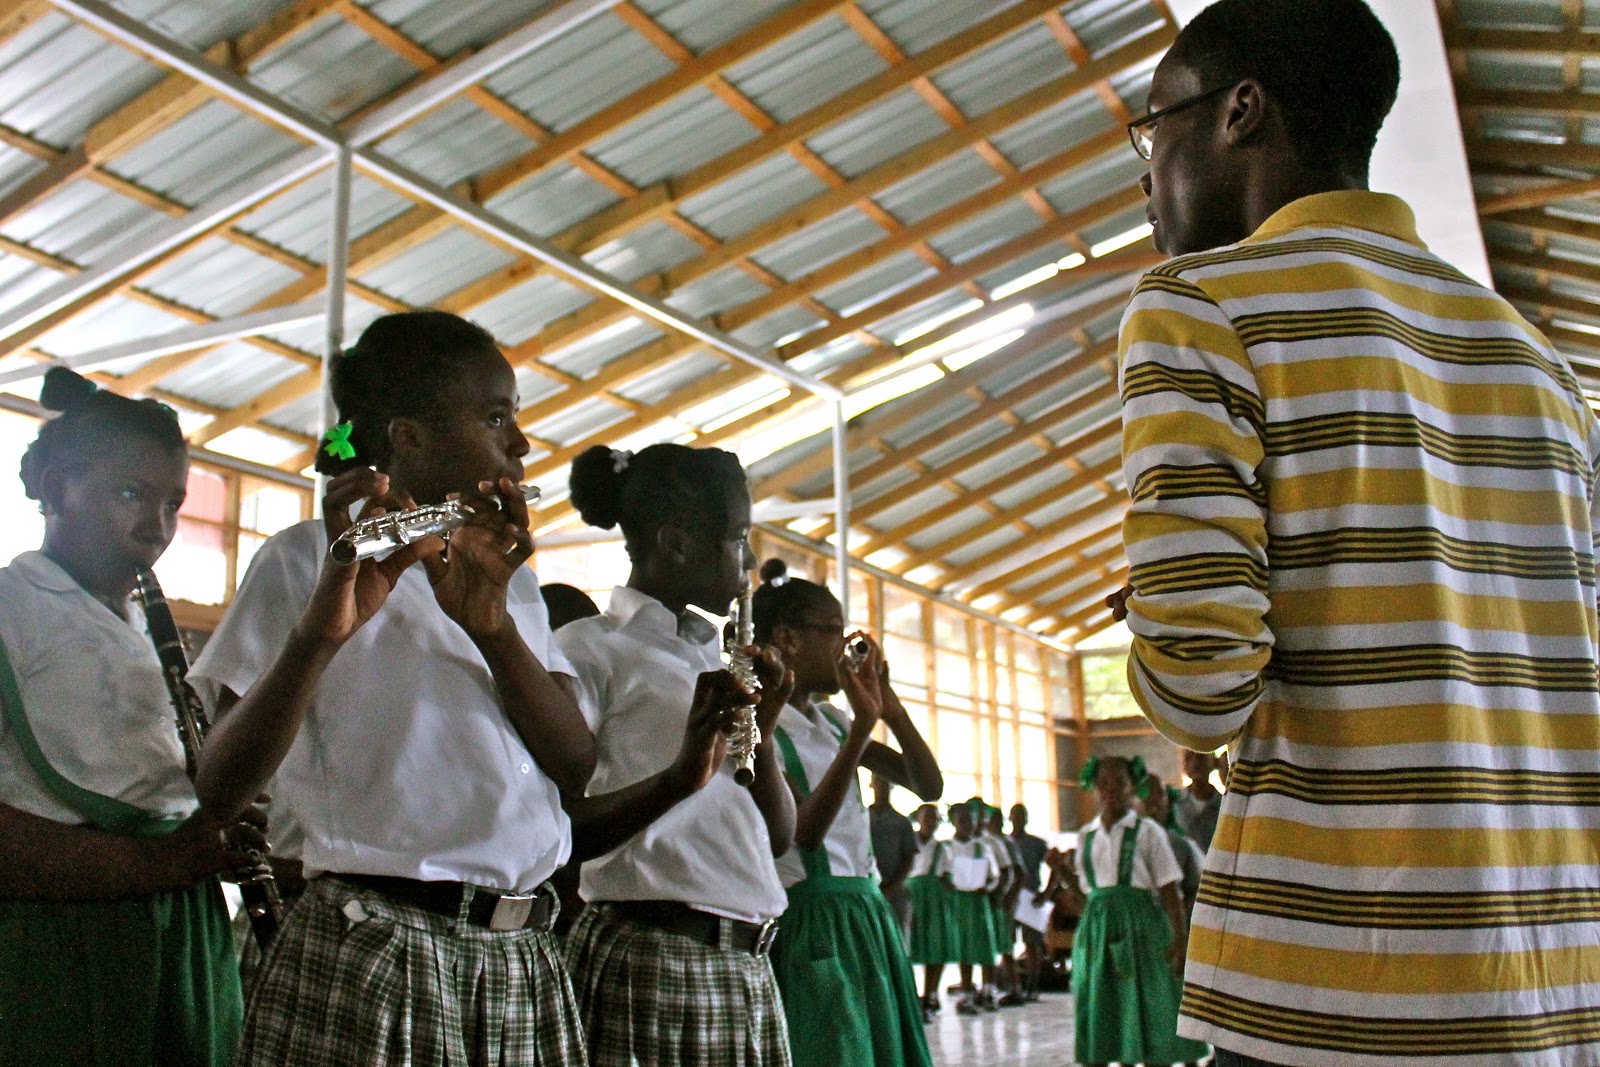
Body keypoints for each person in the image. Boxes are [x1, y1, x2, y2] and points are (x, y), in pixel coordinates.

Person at [1114, 1, 1600, 1063]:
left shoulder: (1199, 309)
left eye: (1154, 130)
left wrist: (1158, 614)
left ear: (1241, 111)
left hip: (1330, 988)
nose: (1146, 175)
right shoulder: (1541, 365)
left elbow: (1200, 690)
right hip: (1550, 983)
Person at [191, 311, 593, 1065]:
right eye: (497, 416)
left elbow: (576, 767)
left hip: (518, 958)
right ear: (408, 439)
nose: (521, 443)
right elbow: (220, 788)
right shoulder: (305, 560)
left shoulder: (516, 583)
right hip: (376, 948)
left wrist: (495, 626)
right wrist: (319, 636)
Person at [0, 369, 263, 1067]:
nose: (158, 526)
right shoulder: (10, 608)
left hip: (181, 934)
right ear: (56, 489)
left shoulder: (150, 628)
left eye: (174, 503)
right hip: (53, 944)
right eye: (131, 494)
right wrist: (160, 861)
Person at [557, 443, 797, 1067]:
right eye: (738, 539)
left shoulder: (708, 654)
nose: (747, 561)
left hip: (746, 963)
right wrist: (678, 780)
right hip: (655, 955)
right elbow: (557, 827)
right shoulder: (589, 650)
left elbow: (776, 834)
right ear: (678, 544)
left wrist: (760, 727)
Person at [753, 558, 942, 1067]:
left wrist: (889, 706)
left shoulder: (832, 720)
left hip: (865, 912)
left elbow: (928, 784)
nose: (844, 646)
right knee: (835, 1046)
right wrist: (862, 730)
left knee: (880, 1048)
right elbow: (806, 832)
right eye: (833, 632)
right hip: (811, 915)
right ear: (788, 639)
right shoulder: (762, 726)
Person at [1072, 757, 1206, 1067]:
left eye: (1119, 783)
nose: (1110, 790)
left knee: (1145, 1005)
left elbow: (1169, 890)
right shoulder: (1086, 837)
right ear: (1093, 789)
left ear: (1133, 788)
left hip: (1142, 929)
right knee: (1101, 1007)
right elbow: (1088, 895)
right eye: (1103, 784)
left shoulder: (1147, 832)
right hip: (1098, 932)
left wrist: (1180, 939)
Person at [939, 800, 1000, 1016]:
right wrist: (950, 885)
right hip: (959, 900)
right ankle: (967, 992)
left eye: (970, 820)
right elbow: (942, 874)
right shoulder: (946, 848)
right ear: (954, 821)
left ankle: (989, 989)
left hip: (978, 900)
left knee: (984, 943)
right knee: (962, 944)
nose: (966, 824)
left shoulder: (982, 847)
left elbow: (994, 876)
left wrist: (988, 887)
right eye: (962, 819)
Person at [905, 802, 952, 1020]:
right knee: (910, 946)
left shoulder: (942, 849)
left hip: (933, 900)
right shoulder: (908, 841)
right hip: (910, 895)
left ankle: (930, 993)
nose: (930, 822)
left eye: (934, 819)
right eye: (926, 817)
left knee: (935, 945)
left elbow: (948, 877)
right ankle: (910, 995)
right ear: (918, 818)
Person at [1138, 772, 1203, 917]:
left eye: (1160, 794)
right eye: (1145, 792)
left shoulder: (1182, 847)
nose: (1153, 800)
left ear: (1168, 805)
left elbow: (1196, 891)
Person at [867, 774, 918, 943]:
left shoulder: (902, 822)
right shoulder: (863, 817)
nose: (882, 784)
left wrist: (891, 887)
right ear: (871, 784)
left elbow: (908, 858)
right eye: (878, 780)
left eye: (886, 781)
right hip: (868, 890)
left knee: (898, 941)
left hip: (895, 891)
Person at [1007, 803, 1048, 1002]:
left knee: (1033, 944)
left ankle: (1033, 986)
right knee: (1008, 943)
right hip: (1008, 898)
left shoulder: (1037, 844)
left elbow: (1056, 866)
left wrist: (1046, 893)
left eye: (1022, 816)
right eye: (1015, 816)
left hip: (1031, 897)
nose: (1018, 820)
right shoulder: (1004, 842)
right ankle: (1014, 986)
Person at [1171, 749, 1222, 852]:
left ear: (1214, 762)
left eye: (1201, 757)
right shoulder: (1173, 802)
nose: (1195, 762)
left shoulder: (1224, 804)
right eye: (1189, 757)